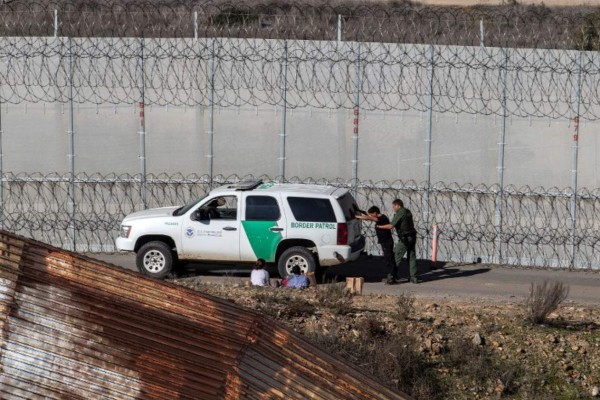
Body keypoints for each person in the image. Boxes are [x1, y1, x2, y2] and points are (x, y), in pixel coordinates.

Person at [377, 199, 419, 284]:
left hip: (405, 238)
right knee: (411, 256)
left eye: (394, 206)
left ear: (398, 205)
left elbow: (390, 226)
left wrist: (379, 226)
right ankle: (413, 277)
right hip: (412, 236)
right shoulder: (407, 211)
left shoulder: (400, 212)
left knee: (396, 256)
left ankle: (391, 276)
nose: (393, 208)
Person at [357, 206, 396, 284]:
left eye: (372, 214)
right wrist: (359, 210)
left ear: (375, 213)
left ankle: (392, 277)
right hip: (385, 241)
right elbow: (368, 215)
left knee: (389, 259)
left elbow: (369, 218)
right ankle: (392, 276)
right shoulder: (380, 217)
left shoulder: (382, 218)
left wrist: (356, 217)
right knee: (389, 258)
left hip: (386, 242)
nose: (370, 215)